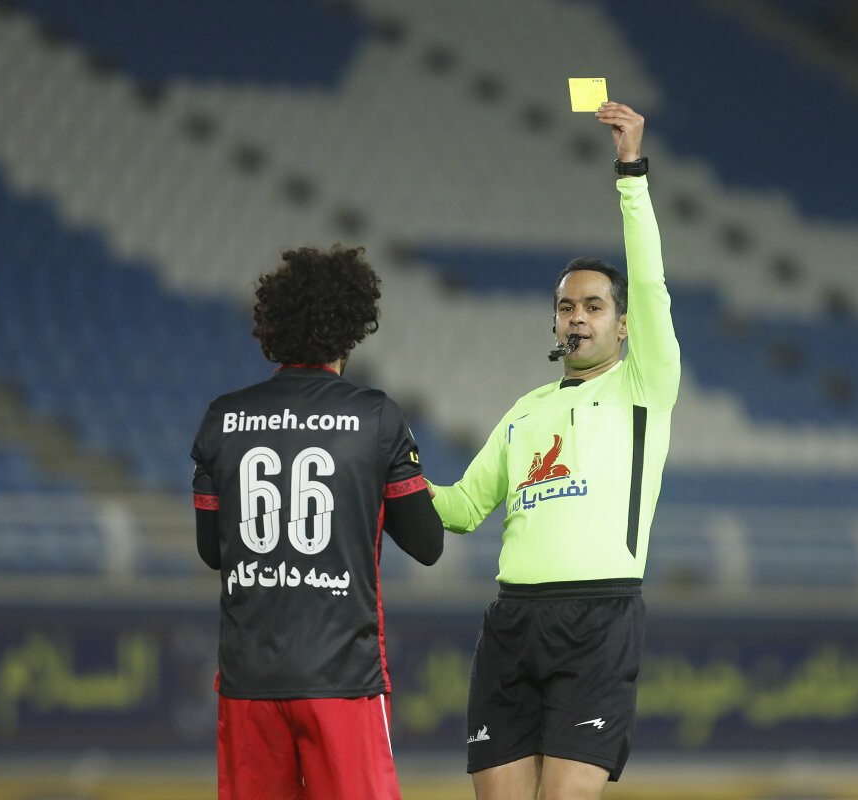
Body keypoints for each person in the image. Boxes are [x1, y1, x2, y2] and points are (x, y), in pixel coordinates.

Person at [428, 102, 680, 799]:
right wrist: (388, 471)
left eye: (594, 306)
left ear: (624, 326)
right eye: (567, 307)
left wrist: (631, 173)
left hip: (598, 622)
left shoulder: (645, 385)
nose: (578, 317)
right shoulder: (525, 412)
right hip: (512, 624)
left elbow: (650, 281)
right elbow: (460, 509)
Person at [190, 245, 445, 800]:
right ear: (351, 329)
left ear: (274, 326)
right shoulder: (376, 416)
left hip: (248, 680)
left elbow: (213, 550)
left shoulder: (221, 418)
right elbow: (427, 544)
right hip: (343, 677)